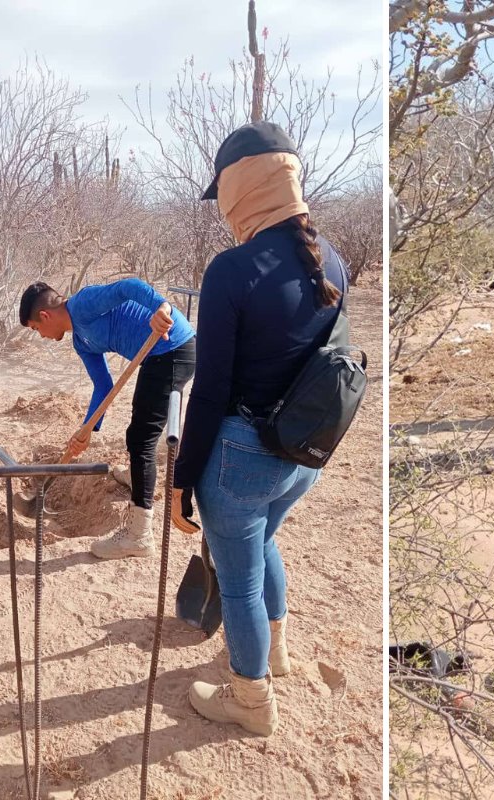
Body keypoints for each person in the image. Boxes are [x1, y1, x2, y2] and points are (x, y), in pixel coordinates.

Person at [171, 121, 350, 736]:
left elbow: (211, 389)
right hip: (301, 457)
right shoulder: (334, 262)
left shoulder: (232, 271)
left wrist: (182, 476)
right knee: (263, 544)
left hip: (241, 461)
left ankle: (251, 700)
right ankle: (273, 652)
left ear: (240, 186)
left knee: (240, 580)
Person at [19, 277, 196, 558]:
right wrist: (87, 429)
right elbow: (103, 385)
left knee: (140, 439)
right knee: (140, 434)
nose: (41, 335)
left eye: (36, 328)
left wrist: (161, 307)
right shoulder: (81, 342)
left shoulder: (84, 303)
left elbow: (128, 286)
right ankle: (139, 478)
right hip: (157, 357)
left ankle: (139, 535)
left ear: (44, 315)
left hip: (171, 345)